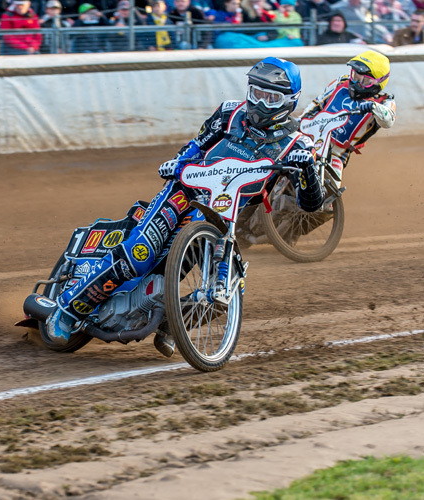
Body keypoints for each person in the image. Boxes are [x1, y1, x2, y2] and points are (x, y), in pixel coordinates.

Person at [45, 57, 324, 355]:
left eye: (271, 99)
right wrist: (178, 162)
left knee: (227, 285)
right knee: (140, 255)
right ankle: (68, 308)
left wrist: (306, 170)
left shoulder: (298, 144)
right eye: (256, 94)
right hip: (184, 193)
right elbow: (197, 144)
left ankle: (170, 323)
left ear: (289, 101)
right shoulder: (230, 112)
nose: (261, 104)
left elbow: (311, 203)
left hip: (224, 213)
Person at [300, 50, 395, 188]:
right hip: (311, 136)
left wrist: (373, 107)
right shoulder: (341, 82)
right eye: (355, 75)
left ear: (379, 82)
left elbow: (388, 121)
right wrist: (301, 120)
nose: (356, 82)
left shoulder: (384, 101)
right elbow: (317, 103)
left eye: (365, 80)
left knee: (332, 190)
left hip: (338, 153)